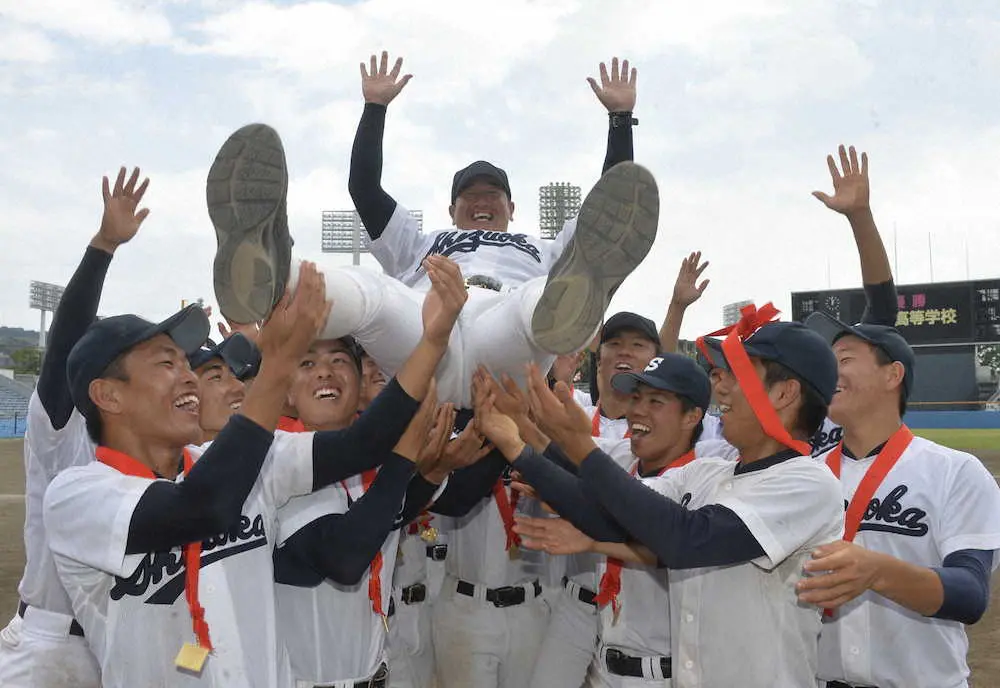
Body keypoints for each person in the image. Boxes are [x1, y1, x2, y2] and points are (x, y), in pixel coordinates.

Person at [207, 54, 658, 407]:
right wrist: (374, 108)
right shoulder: (421, 243)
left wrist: (620, 121)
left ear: (512, 208)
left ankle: (571, 315)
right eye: (470, 197)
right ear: (451, 209)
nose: (481, 203)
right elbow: (364, 188)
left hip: (504, 340)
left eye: (492, 196)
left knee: (539, 297)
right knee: (373, 292)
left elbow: (612, 208)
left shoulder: (542, 247)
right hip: (424, 334)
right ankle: (272, 276)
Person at [494, 312, 846, 686]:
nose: (721, 387)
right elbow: (611, 517)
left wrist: (578, 445)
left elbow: (688, 538)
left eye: (739, 373)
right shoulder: (707, 473)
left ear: (784, 393)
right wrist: (517, 446)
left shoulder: (809, 482)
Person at [270, 257, 480, 687]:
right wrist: (404, 458)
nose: (325, 371)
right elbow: (344, 557)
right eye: (307, 364)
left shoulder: (368, 464)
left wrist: (434, 469)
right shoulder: (277, 460)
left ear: (360, 383)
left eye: (339, 360)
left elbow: (387, 515)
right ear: (286, 394)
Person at [0, 166, 148, 688]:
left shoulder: (146, 445)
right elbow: (64, 341)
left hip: (112, 645)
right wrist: (103, 247)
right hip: (50, 648)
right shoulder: (63, 429)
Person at [799, 312, 1000, 688]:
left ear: (892, 375)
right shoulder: (801, 477)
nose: (830, 371)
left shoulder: (955, 471)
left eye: (844, 359)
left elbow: (970, 593)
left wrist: (879, 572)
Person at [528, 311, 661, 688]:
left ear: (656, 359)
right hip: (578, 598)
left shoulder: (672, 435)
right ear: (598, 358)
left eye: (638, 345)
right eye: (614, 343)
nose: (625, 352)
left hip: (638, 608)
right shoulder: (575, 418)